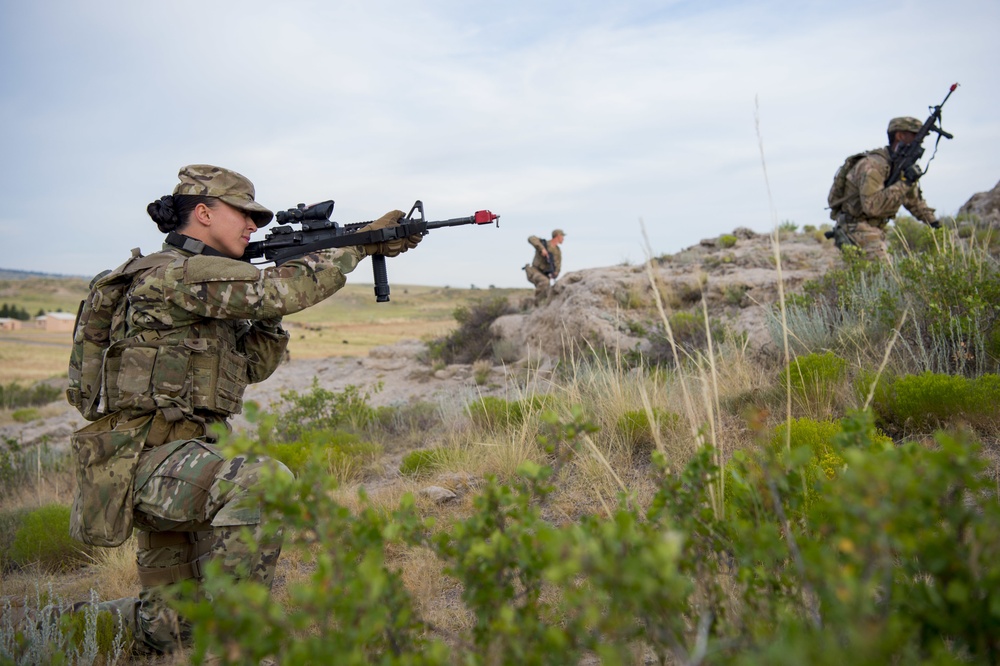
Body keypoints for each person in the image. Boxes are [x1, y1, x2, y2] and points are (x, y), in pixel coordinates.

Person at [58, 164, 424, 655]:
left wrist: (273, 307)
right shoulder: (175, 276)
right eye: (244, 215)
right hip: (145, 461)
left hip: (181, 459)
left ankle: (47, 628)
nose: (254, 227)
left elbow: (252, 364)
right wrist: (355, 246)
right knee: (263, 481)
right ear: (203, 213)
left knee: (171, 629)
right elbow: (279, 289)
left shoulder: (201, 290)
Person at [828, 116, 941, 261]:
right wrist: (904, 183)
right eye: (915, 136)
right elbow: (872, 207)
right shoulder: (873, 165)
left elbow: (913, 201)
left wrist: (935, 225)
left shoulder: (899, 167)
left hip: (875, 230)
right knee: (885, 276)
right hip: (856, 229)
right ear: (899, 136)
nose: (919, 143)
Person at [524, 229, 565, 305]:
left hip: (546, 274)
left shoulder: (557, 251)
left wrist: (555, 273)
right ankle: (536, 304)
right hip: (535, 271)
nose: (563, 238)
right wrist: (542, 249)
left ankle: (541, 304)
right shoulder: (544, 244)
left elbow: (558, 264)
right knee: (545, 282)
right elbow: (531, 238)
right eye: (562, 236)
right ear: (558, 236)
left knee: (549, 288)